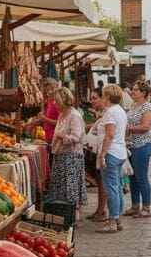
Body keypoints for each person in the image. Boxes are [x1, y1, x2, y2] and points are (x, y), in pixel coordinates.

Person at [48, 88, 87, 225]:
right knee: (61, 185)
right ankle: (62, 212)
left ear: (63, 101)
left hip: (71, 156)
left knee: (70, 186)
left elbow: (77, 137)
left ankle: (73, 214)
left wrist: (62, 137)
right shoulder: (62, 115)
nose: (54, 104)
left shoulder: (74, 116)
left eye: (56, 101)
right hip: (60, 154)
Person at [96, 84, 128, 233]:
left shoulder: (110, 112)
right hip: (120, 151)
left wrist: (102, 154)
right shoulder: (120, 111)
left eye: (103, 95)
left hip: (112, 152)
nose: (102, 98)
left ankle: (112, 221)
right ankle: (118, 219)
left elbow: (109, 135)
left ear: (108, 96)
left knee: (112, 189)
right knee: (118, 187)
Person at [124, 81, 151, 218]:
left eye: (135, 90)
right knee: (132, 177)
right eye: (132, 89)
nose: (132, 91)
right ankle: (135, 205)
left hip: (142, 145)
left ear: (143, 93)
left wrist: (128, 129)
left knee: (141, 177)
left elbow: (145, 127)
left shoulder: (147, 107)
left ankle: (146, 207)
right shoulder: (133, 106)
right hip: (131, 145)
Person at [85, 88, 109, 222]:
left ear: (103, 98)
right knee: (100, 181)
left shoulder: (107, 113)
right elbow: (96, 125)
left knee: (104, 182)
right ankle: (100, 210)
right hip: (98, 150)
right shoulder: (102, 113)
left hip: (103, 151)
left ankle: (104, 213)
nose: (92, 101)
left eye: (95, 98)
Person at [39, 77, 60, 163]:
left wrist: (44, 119)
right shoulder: (50, 98)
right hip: (49, 137)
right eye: (47, 92)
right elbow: (51, 114)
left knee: (53, 164)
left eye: (50, 91)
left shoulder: (58, 101)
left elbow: (61, 122)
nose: (49, 93)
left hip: (56, 138)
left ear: (55, 86)